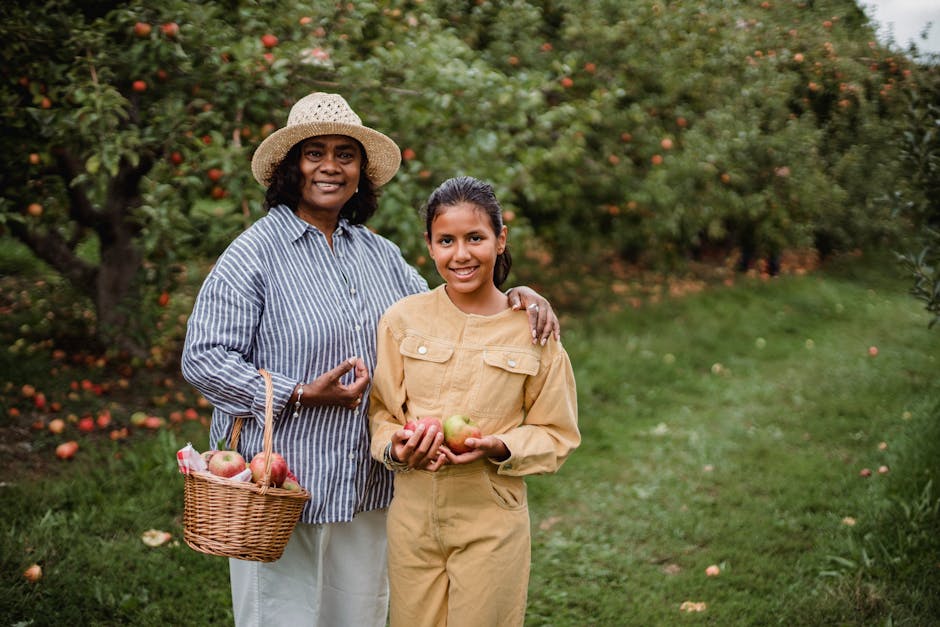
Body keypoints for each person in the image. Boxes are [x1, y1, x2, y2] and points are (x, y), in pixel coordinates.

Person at [180, 93, 560, 627]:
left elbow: (450, 298)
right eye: (315, 153)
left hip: (368, 480)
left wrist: (516, 292)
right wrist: (299, 392)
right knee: (280, 617)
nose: (331, 166)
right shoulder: (254, 253)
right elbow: (203, 357)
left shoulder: (378, 254)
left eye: (345, 154)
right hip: (285, 483)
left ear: (361, 172)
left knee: (358, 616)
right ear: (292, 168)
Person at [369, 176, 580, 627]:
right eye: (446, 240)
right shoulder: (403, 320)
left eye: (475, 238)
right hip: (412, 520)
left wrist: (500, 447)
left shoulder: (534, 332)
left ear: (500, 240)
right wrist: (396, 448)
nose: (461, 254)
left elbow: (556, 432)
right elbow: (382, 412)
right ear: (429, 245)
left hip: (491, 522)